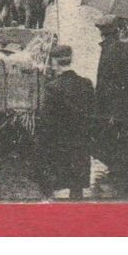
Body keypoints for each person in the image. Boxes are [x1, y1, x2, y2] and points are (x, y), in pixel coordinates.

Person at [92, 17, 128, 191]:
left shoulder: (107, 51)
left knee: (115, 136)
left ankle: (118, 171)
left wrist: (100, 106)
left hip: (112, 103)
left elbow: (102, 82)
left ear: (103, 33)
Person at [34, 44, 95, 199]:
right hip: (80, 141)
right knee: (77, 187)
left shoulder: (52, 87)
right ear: (71, 59)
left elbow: (46, 119)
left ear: (54, 63)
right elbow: (92, 112)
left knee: (56, 187)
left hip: (59, 142)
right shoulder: (86, 83)